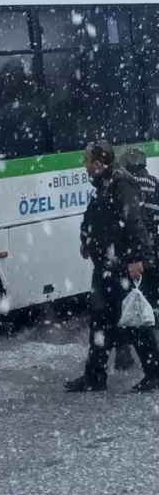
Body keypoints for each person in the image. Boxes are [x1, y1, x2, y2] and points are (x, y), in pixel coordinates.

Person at [65, 140, 159, 393]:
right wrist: (86, 240)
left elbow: (133, 223)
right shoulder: (103, 184)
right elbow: (92, 217)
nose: (84, 165)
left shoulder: (121, 182)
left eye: (86, 160)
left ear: (98, 162)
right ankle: (94, 377)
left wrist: (137, 259)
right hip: (105, 266)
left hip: (121, 266)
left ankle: (154, 373)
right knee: (99, 322)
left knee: (134, 320)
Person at [119, 147, 159, 311]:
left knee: (135, 286)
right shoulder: (154, 183)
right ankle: (153, 316)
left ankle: (137, 320)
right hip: (153, 243)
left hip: (135, 245)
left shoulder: (126, 184)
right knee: (152, 283)